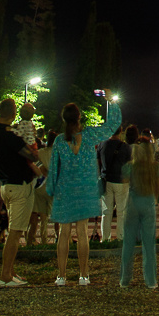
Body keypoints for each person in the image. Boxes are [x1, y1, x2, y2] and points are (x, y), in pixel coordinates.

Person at [46, 92, 121, 285]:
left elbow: (54, 167)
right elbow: (111, 127)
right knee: (82, 232)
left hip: (65, 190)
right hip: (86, 190)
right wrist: (111, 101)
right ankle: (84, 274)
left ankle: (61, 275)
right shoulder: (89, 136)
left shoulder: (60, 141)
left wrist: (51, 189)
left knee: (64, 232)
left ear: (64, 119)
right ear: (79, 117)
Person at [0, 100, 42, 284]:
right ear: (14, 113)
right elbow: (31, 155)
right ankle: (6, 276)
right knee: (15, 233)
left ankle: (10, 273)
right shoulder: (11, 136)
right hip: (20, 186)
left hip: (5, 184)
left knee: (13, 231)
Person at [118, 126, 159, 289]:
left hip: (132, 202)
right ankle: (151, 280)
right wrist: (155, 200)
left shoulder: (130, 167)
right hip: (148, 203)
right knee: (148, 245)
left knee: (128, 244)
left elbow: (125, 183)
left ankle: (125, 279)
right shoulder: (156, 167)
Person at [100, 125, 130, 243]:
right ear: (121, 131)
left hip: (106, 180)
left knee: (106, 211)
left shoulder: (102, 145)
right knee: (121, 211)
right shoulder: (126, 147)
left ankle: (105, 238)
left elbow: (98, 162)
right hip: (121, 181)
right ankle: (120, 237)